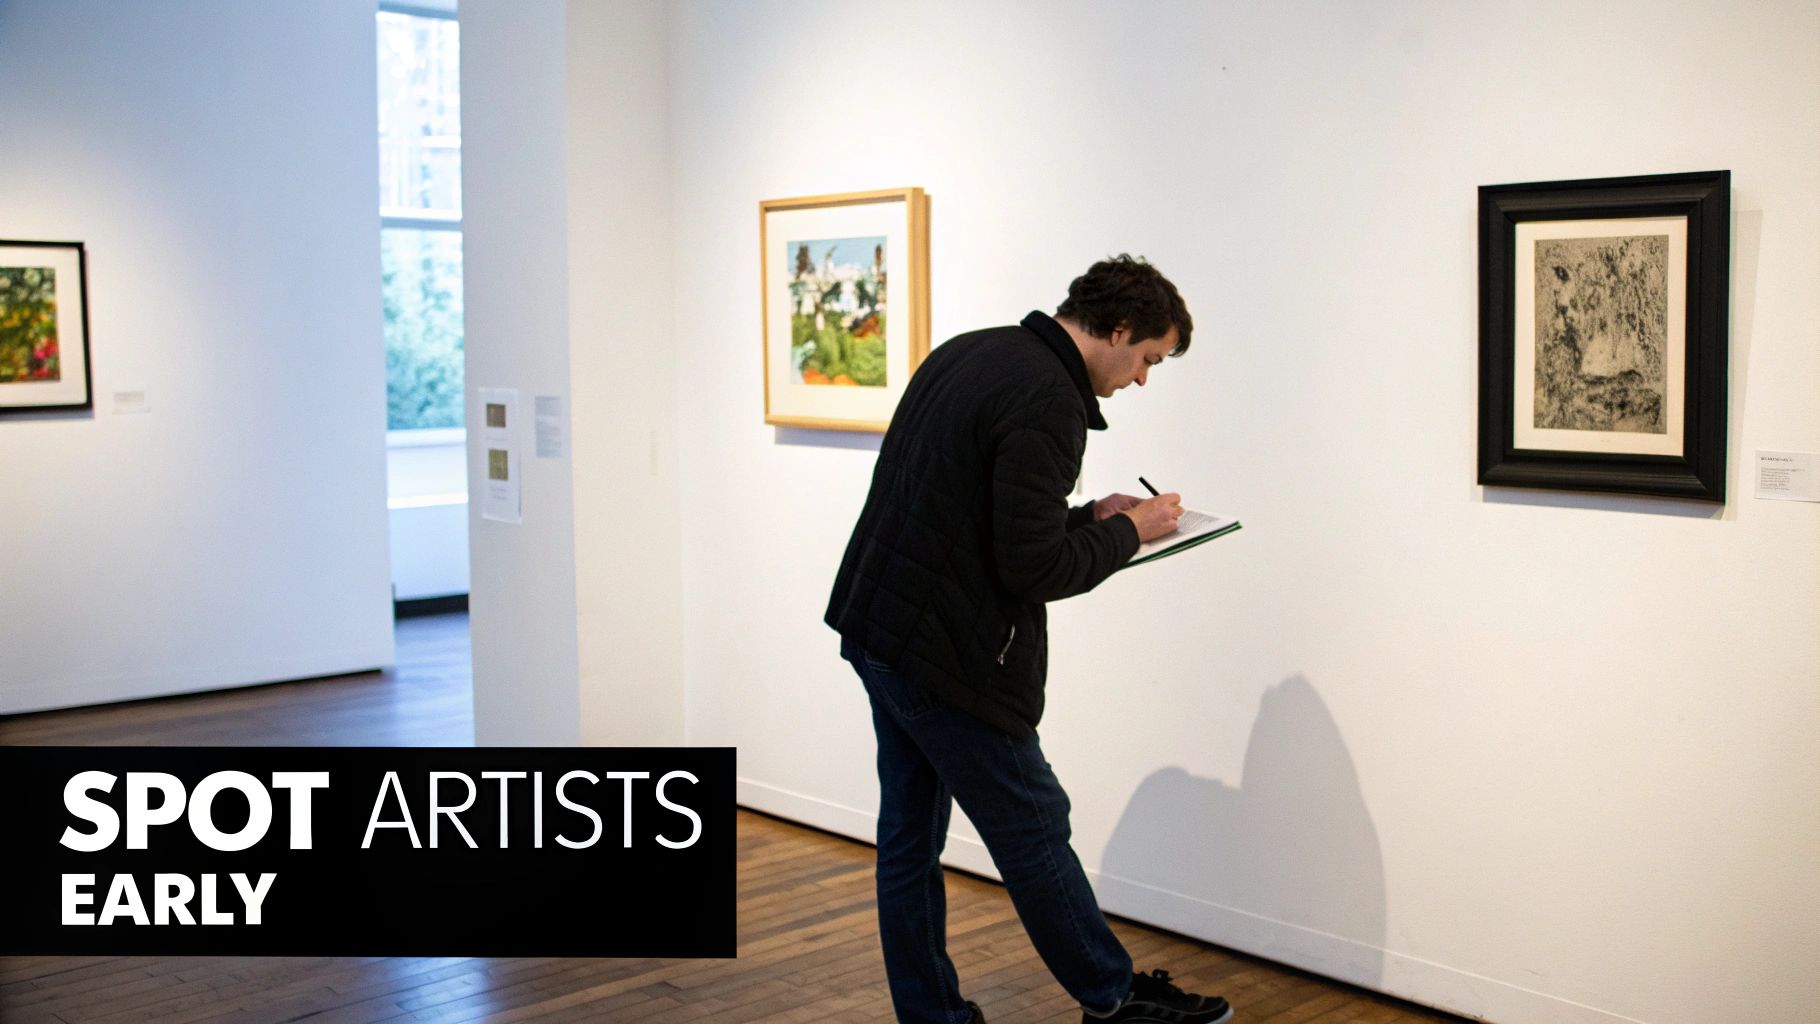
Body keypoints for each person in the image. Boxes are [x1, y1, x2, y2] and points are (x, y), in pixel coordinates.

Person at [825, 255, 1234, 1024]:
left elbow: (974, 520)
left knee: (909, 836)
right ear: (1115, 330)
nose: (1143, 379)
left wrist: (1094, 516)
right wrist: (1127, 533)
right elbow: (1033, 565)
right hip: (948, 655)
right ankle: (1112, 1000)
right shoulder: (1050, 397)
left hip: (880, 624)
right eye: (1147, 358)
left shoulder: (974, 350)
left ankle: (932, 1016)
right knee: (1032, 824)